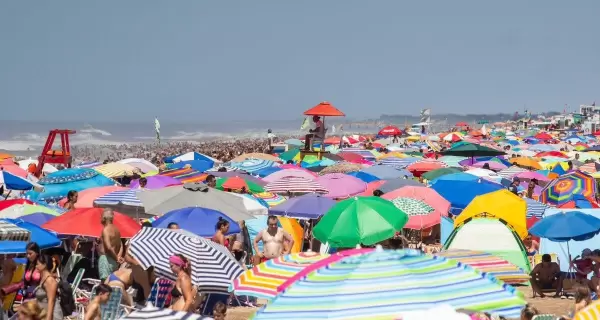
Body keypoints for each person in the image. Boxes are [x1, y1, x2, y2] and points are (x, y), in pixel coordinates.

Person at [34, 255, 62, 320]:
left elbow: (51, 301)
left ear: (44, 265)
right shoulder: (43, 278)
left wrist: (49, 318)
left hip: (52, 315)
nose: (36, 266)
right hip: (43, 313)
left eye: (37, 264)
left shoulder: (49, 280)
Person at [98, 209, 122, 282]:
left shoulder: (106, 230)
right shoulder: (116, 229)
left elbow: (109, 247)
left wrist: (117, 258)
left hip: (106, 260)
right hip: (114, 262)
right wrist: (118, 256)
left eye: (101, 216)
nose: (100, 218)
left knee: (105, 284)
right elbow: (121, 245)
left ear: (105, 218)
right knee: (112, 282)